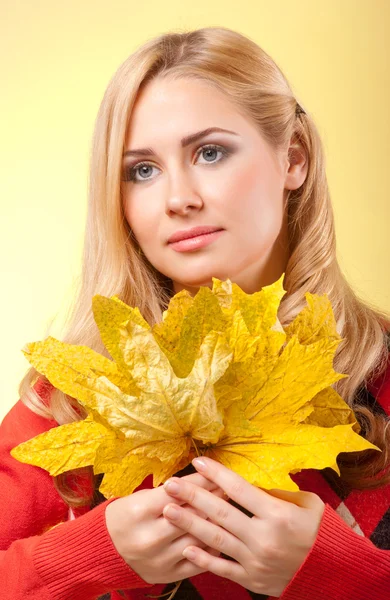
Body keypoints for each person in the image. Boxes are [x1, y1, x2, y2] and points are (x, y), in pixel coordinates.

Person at [1, 25, 390, 600]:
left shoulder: (379, 374)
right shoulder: (73, 400)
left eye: (210, 153)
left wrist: (340, 574)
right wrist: (95, 554)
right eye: (142, 169)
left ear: (295, 160)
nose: (178, 197)